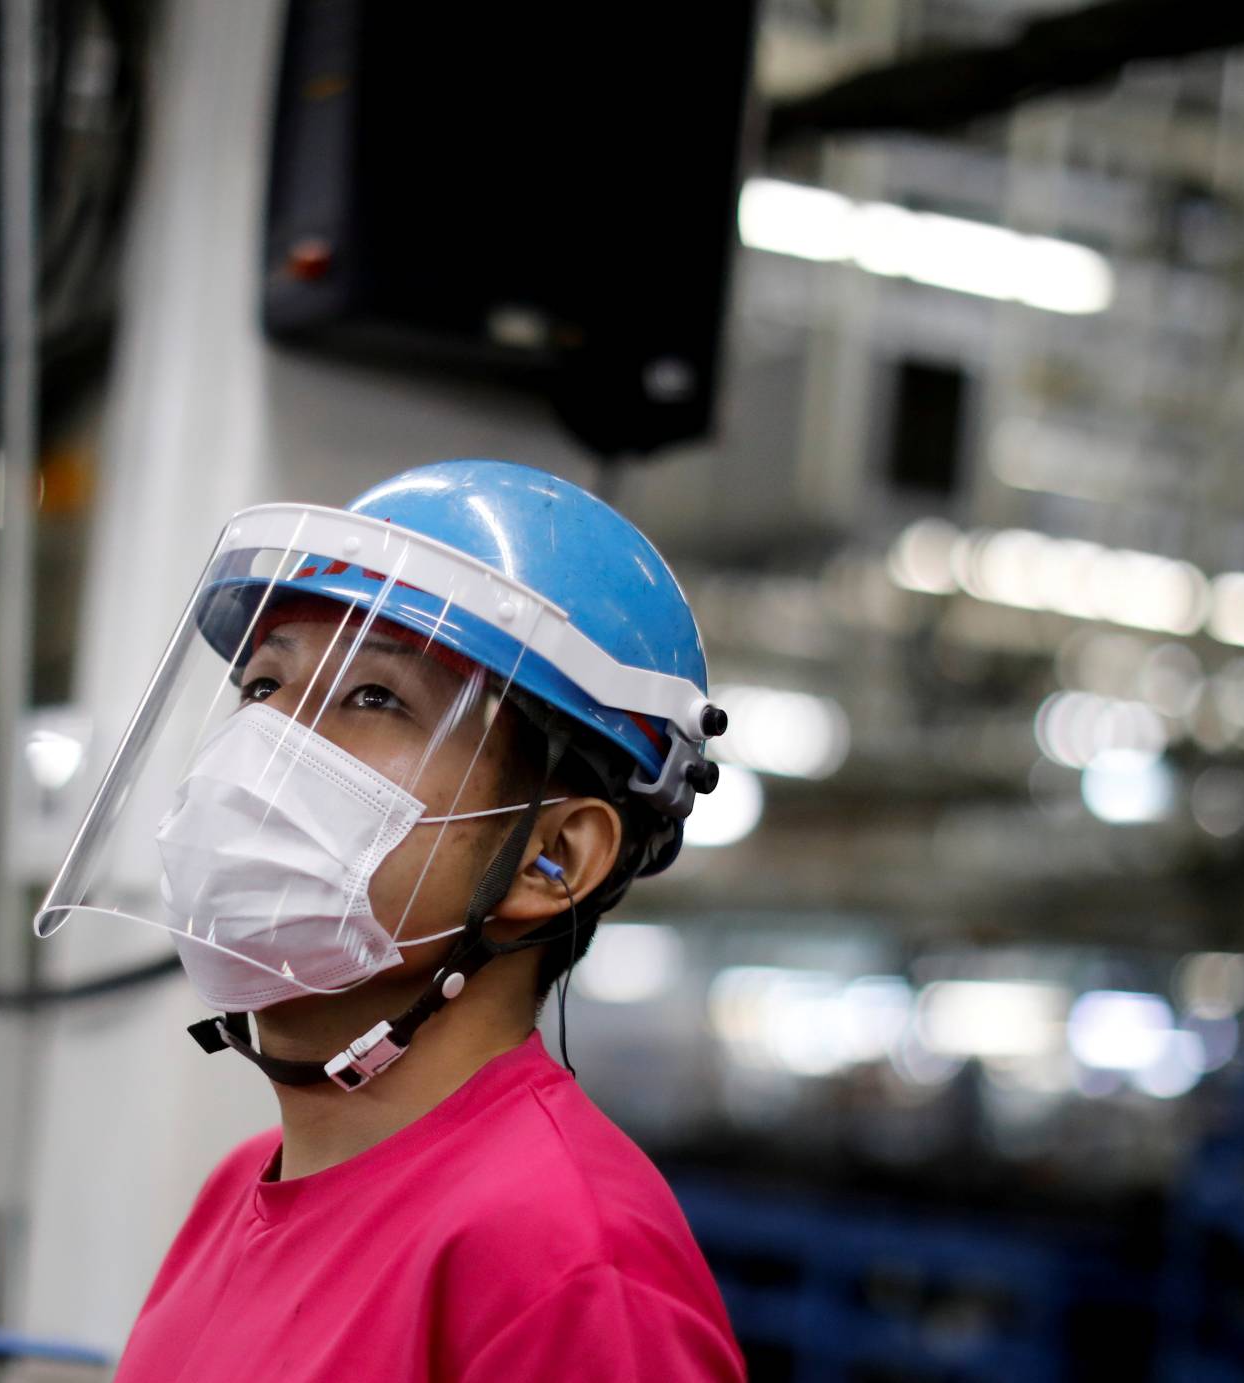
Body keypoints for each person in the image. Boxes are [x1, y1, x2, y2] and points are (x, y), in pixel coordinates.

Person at [38, 459, 744, 1381]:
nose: (269, 747)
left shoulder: (570, 1265)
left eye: (375, 697)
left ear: (552, 858)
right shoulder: (239, 1190)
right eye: (263, 687)